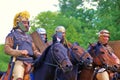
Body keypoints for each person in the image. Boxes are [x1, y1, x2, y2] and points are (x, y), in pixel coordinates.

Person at [4, 11, 41, 80]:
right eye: (24, 23)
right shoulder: (12, 35)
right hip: (19, 61)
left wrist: (41, 55)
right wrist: (20, 52)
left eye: (27, 23)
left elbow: (34, 50)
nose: (26, 25)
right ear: (18, 23)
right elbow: (7, 49)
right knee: (19, 77)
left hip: (32, 62)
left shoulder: (29, 37)